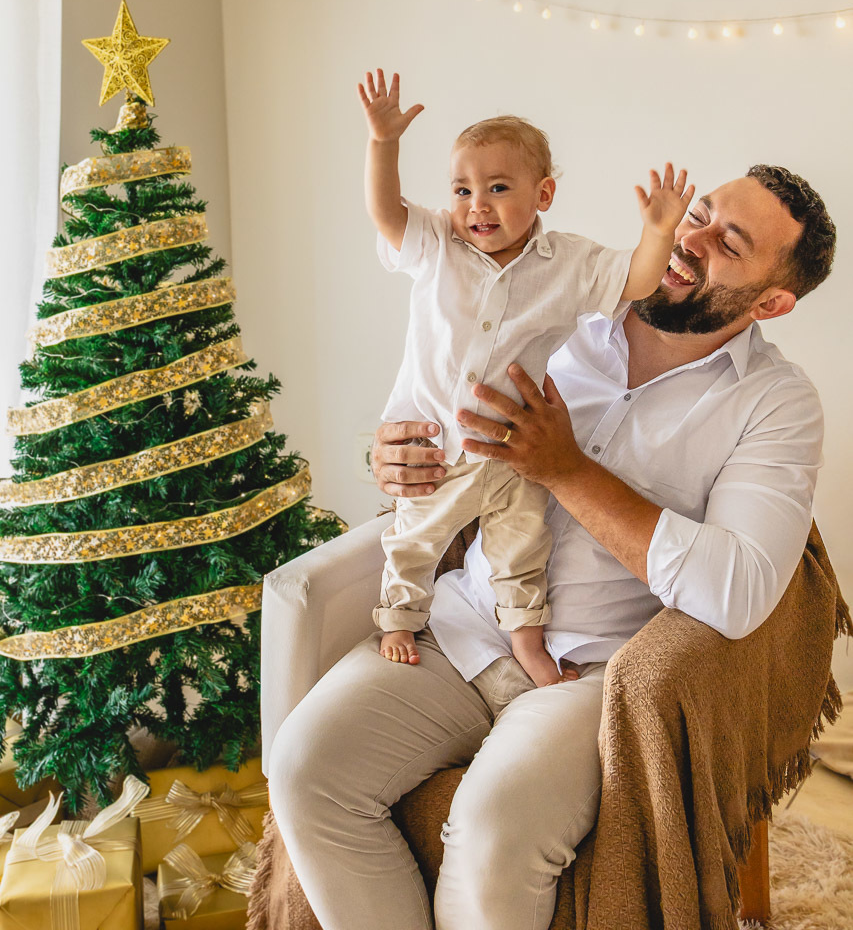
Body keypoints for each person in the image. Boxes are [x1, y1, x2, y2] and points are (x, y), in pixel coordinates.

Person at [268, 161, 836, 930]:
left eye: (728, 243)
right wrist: (397, 452)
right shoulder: (563, 301)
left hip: (589, 673)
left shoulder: (776, 403)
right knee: (306, 771)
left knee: (496, 831)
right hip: (461, 626)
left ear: (771, 301)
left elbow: (736, 594)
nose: (691, 238)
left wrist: (565, 469)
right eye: (699, 212)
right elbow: (436, 398)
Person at [357, 68, 693, 685]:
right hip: (438, 445)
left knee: (523, 545)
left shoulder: (568, 262)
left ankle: (526, 639)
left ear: (542, 196)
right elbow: (385, 213)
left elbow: (639, 281)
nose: (475, 204)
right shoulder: (436, 244)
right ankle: (400, 618)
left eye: (497, 187)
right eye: (461, 189)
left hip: (517, 450)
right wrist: (384, 143)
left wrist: (657, 233)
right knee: (414, 537)